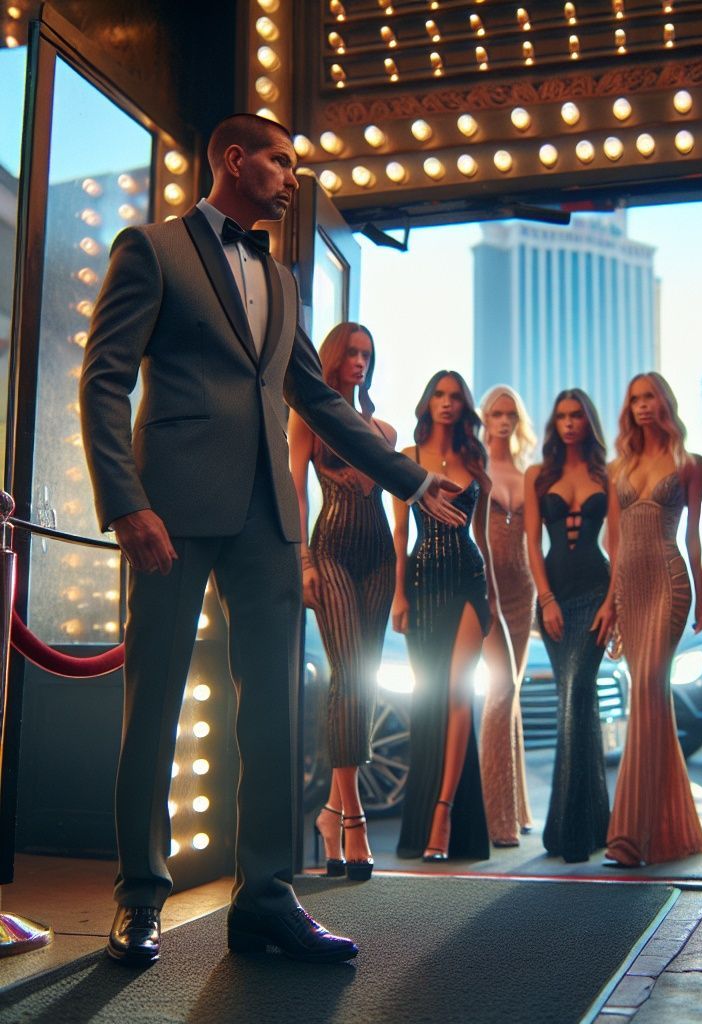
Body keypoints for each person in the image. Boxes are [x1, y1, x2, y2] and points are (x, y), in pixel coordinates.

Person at [79, 113, 462, 967]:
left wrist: (410, 478)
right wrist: (125, 500)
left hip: (270, 520)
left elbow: (319, 403)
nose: (292, 177)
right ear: (232, 158)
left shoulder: (284, 277)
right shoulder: (151, 248)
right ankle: (140, 895)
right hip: (170, 510)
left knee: (278, 709)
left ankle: (267, 898)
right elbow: (103, 380)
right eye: (281, 160)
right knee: (156, 705)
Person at [289, 322, 396, 881]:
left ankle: (331, 814)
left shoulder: (384, 430)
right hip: (329, 553)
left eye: (367, 355)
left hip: (378, 555)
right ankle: (352, 815)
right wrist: (302, 561)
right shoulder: (308, 419)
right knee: (348, 675)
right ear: (332, 359)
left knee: (366, 680)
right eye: (352, 353)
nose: (359, 362)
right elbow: (295, 492)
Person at [605, 373, 702, 867]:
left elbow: (693, 536)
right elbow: (613, 541)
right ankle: (670, 831)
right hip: (629, 585)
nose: (643, 406)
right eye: (635, 399)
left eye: (650, 397)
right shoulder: (617, 466)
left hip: (670, 581)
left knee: (648, 686)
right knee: (650, 699)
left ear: (665, 402)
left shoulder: (690, 464)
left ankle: (629, 834)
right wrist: (610, 602)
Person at [393, 371, 493, 862]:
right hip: (422, 582)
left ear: (464, 406)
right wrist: (398, 596)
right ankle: (427, 811)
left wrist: (490, 593)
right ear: (427, 401)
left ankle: (444, 809)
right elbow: (398, 534)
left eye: (455, 396)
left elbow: (486, 537)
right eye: (439, 394)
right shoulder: (406, 461)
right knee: (428, 701)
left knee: (458, 692)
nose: (447, 403)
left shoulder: (476, 459)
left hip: (469, 579)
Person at [524, 389, 617, 863]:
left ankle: (572, 829)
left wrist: (612, 602)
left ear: (588, 420)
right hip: (555, 597)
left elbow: (616, 545)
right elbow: (532, 546)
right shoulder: (538, 476)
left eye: (576, 414)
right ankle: (585, 823)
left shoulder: (607, 474)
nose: (568, 422)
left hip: (596, 593)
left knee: (578, 693)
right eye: (561, 415)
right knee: (573, 700)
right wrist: (546, 600)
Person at [477, 384, 536, 845]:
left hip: (525, 590)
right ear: (484, 417)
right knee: (500, 691)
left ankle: (515, 805)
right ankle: (494, 815)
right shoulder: (476, 468)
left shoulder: (526, 473)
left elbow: (536, 541)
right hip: (488, 587)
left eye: (510, 415)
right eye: (496, 413)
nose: (503, 421)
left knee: (511, 693)